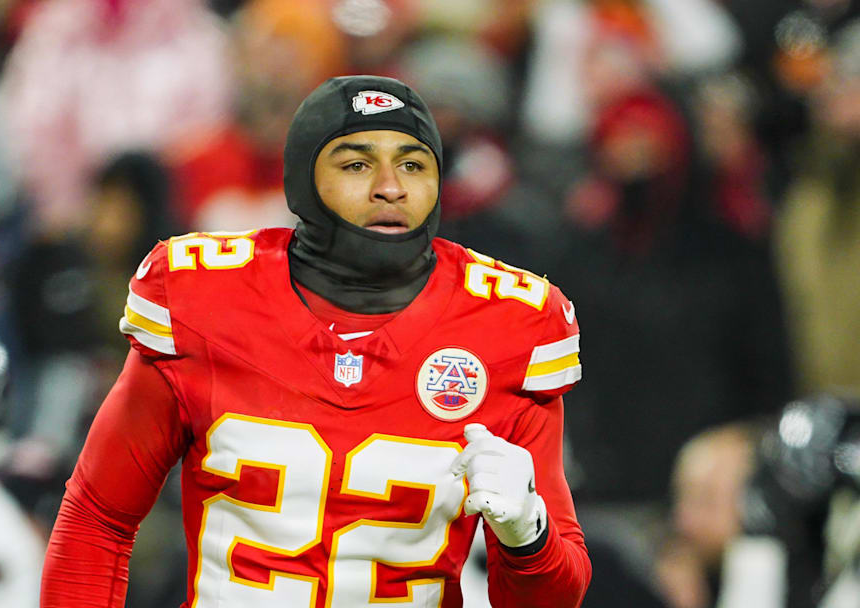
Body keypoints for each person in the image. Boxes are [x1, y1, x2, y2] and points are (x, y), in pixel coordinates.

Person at [40, 75, 592, 607]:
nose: (391, 187)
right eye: (356, 164)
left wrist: (529, 536)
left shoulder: (509, 324)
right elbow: (99, 517)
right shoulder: (207, 300)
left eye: (413, 164)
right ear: (303, 178)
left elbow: (550, 599)